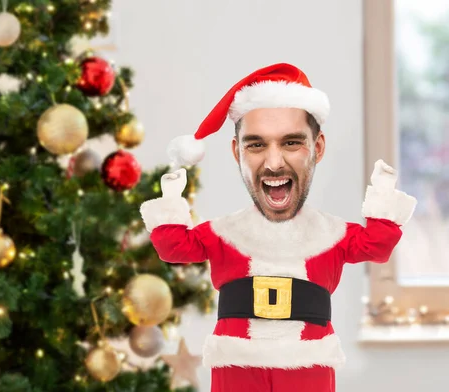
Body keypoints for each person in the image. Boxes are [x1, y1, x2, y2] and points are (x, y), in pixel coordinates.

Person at [139, 63, 417, 392]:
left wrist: (383, 194)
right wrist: (171, 200)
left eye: (291, 143)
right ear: (237, 152)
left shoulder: (331, 233)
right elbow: (174, 248)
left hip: (308, 362)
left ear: (318, 148)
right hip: (236, 362)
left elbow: (377, 246)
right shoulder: (225, 232)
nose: (273, 163)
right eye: (256, 145)